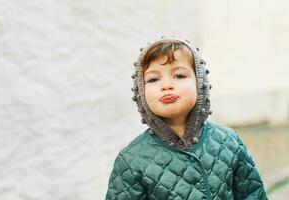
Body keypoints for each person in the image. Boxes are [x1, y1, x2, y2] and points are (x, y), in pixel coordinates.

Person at [105, 37, 268, 200]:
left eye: (179, 75)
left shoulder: (229, 142)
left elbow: (252, 194)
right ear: (140, 91)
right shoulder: (131, 161)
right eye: (154, 79)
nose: (166, 85)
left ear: (200, 82)